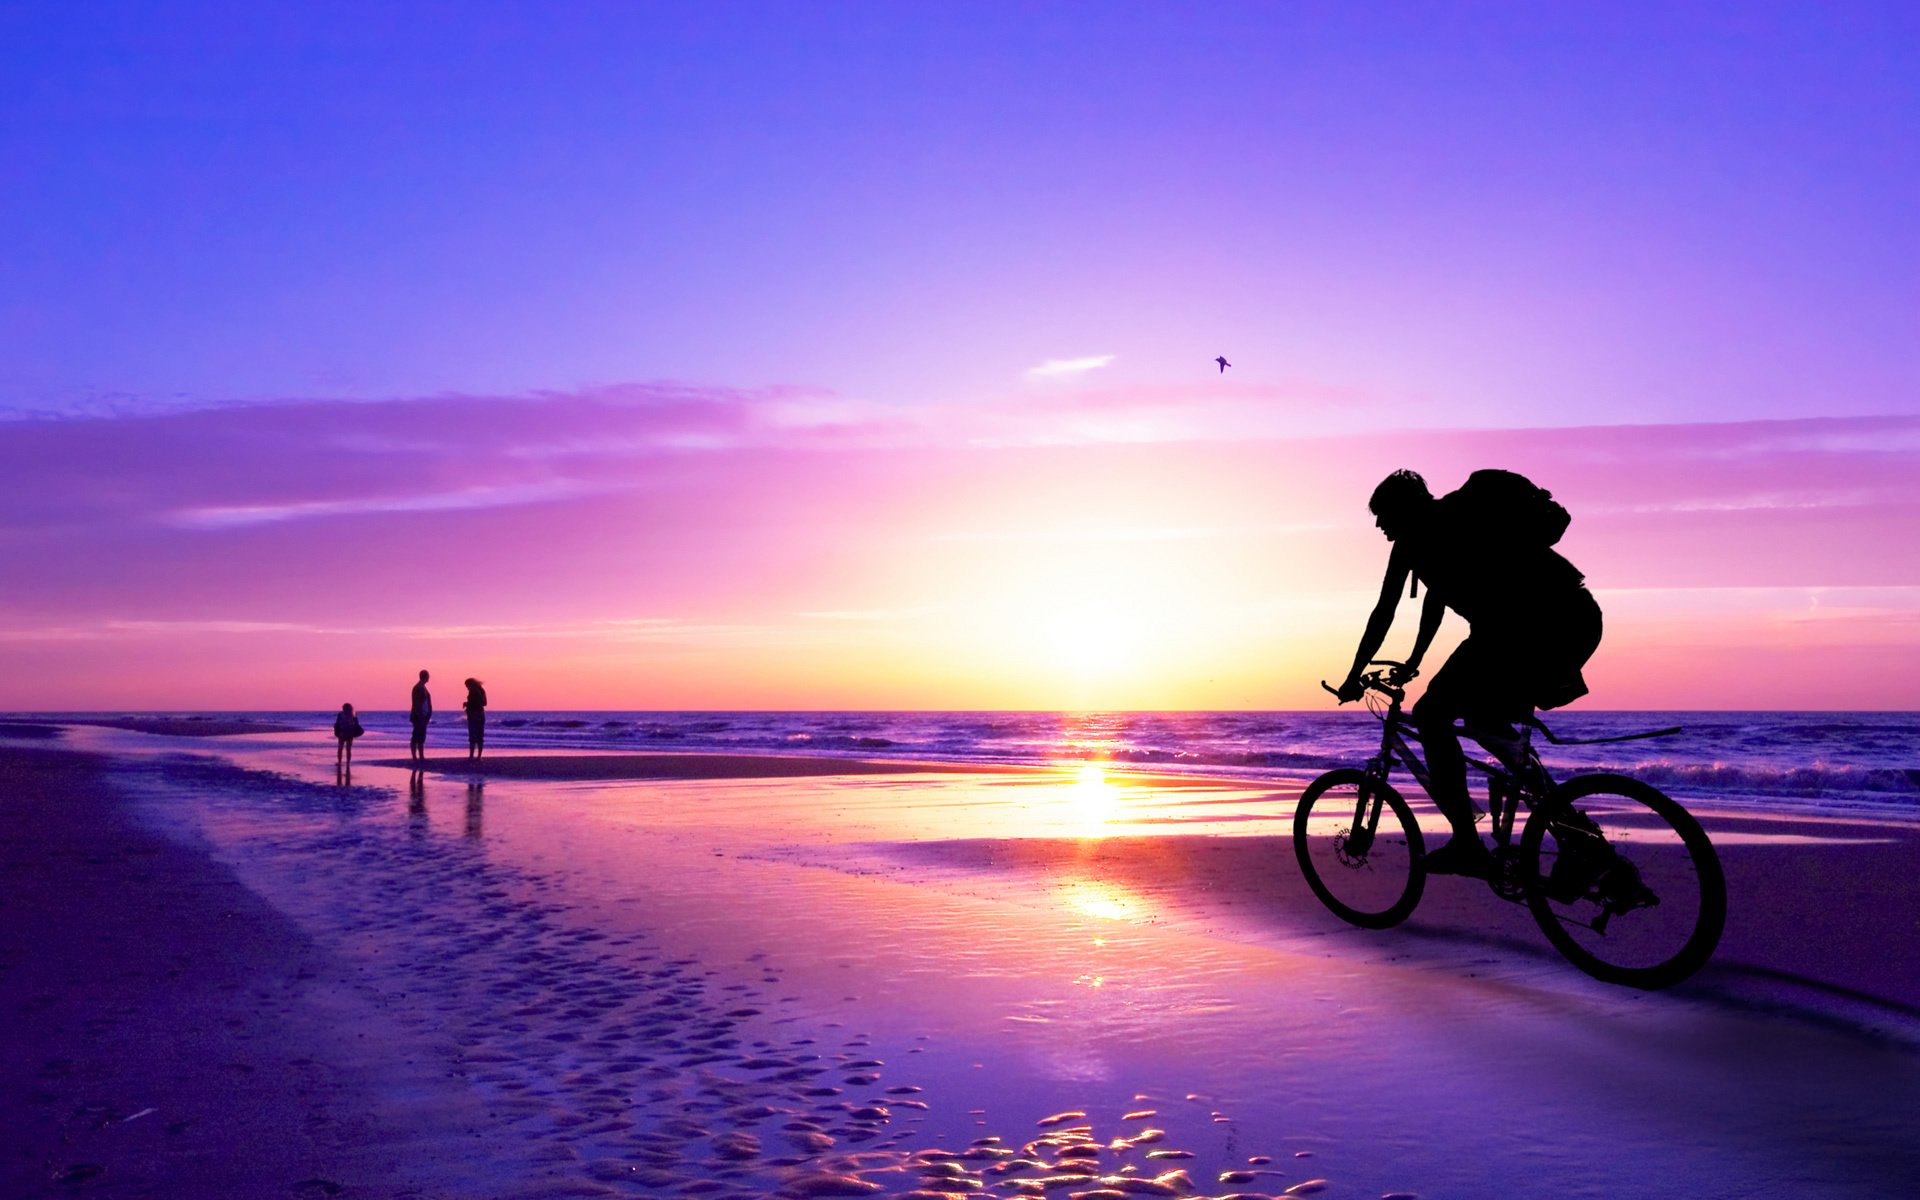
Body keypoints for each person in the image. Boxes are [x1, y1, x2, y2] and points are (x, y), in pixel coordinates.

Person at [1335, 469, 1601, 877]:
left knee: (1429, 716)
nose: (1381, 528)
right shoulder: (1448, 525)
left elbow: (1385, 612)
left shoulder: (1421, 539)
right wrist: (1413, 660)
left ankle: (1466, 842)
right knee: (1485, 720)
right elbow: (1434, 606)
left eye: (1384, 517)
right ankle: (1574, 833)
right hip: (1577, 617)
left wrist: (1354, 676)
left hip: (1525, 629)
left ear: (1405, 510)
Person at [409, 669, 432, 762]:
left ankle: (421, 756)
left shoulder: (421, 687)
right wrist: (420, 715)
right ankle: (416, 756)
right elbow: (418, 703)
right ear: (426, 677)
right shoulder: (419, 688)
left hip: (422, 715)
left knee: (421, 736)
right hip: (419, 715)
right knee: (417, 735)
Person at [462, 677, 488, 760]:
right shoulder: (481, 690)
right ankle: (479, 756)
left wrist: (467, 704)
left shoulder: (473, 691)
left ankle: (471, 755)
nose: (466, 688)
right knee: (480, 735)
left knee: (472, 734)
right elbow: (484, 703)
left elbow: (473, 703)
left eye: (467, 686)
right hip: (481, 713)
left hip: (473, 714)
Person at [333, 702, 364, 766]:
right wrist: (336, 730)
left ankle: (346, 762)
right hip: (343, 733)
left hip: (348, 733)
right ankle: (341, 762)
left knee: (347, 749)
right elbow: (337, 723)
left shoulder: (352, 714)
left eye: (345, 708)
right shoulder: (341, 714)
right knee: (341, 748)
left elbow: (356, 724)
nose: (345, 710)